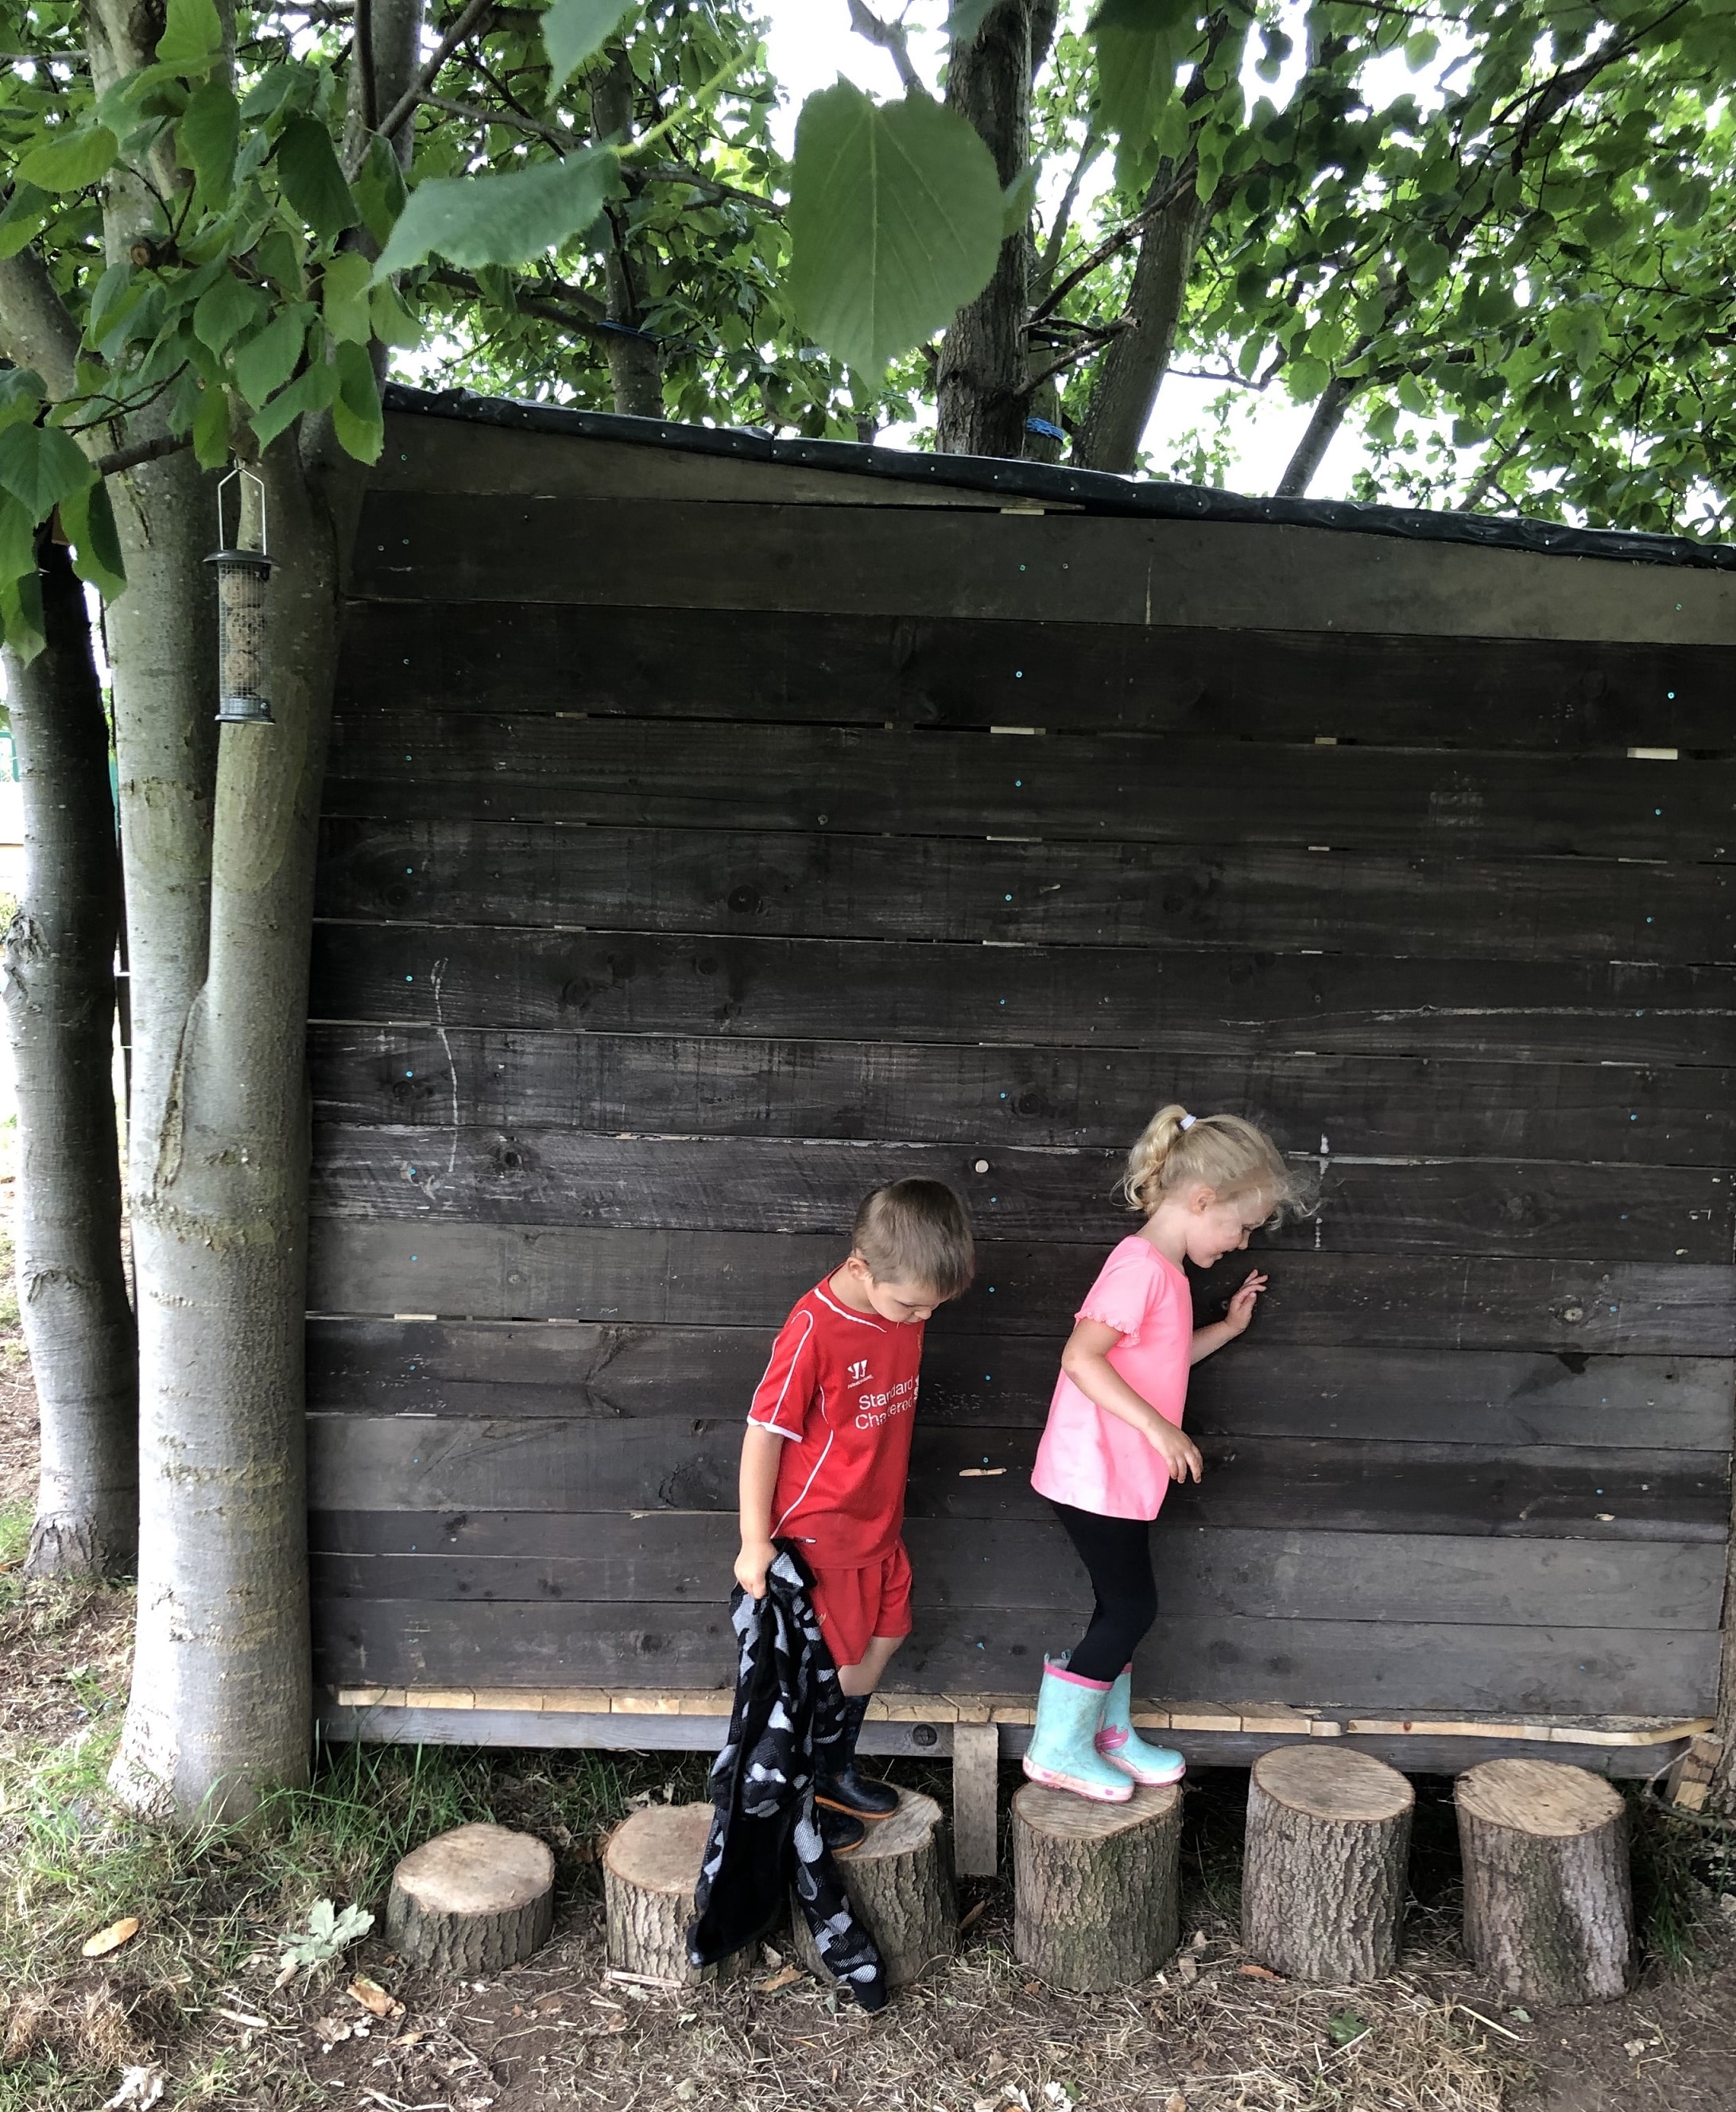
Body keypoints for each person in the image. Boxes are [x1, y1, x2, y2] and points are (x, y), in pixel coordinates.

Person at [1024, 1106, 1302, 1801]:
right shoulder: (1139, 1268)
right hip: (1092, 1471)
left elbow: (1165, 1361)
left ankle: (1106, 1734)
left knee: (1117, 1606)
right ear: (1202, 1200)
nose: (1241, 1243)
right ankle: (1058, 1747)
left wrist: (1228, 1328)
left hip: (1115, 1476)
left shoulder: (1165, 1274)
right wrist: (1163, 1431)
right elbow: (1082, 1358)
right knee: (1131, 1609)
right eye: (1241, 1226)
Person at [734, 1178, 975, 1850]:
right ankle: (798, 1794)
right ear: (861, 1268)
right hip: (821, 1535)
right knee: (824, 1672)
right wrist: (755, 1541)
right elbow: (763, 1433)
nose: (920, 1319)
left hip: (881, 1525)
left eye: (933, 1308)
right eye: (911, 1305)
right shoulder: (813, 1328)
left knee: (885, 1638)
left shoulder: (902, 1311)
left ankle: (834, 1767)